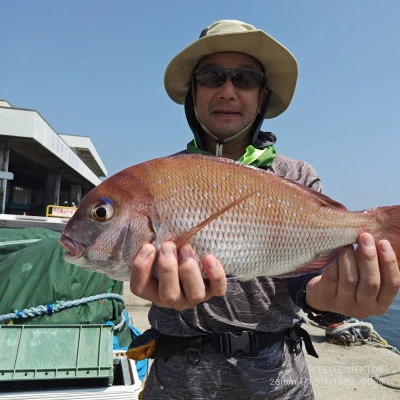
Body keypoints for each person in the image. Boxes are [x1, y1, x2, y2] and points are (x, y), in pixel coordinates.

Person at [129, 20, 400, 399]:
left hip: (277, 383)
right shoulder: (160, 178)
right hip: (178, 384)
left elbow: (303, 282)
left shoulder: (297, 175)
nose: (227, 90)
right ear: (193, 91)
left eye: (244, 79)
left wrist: (330, 297)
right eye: (211, 77)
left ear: (262, 96)